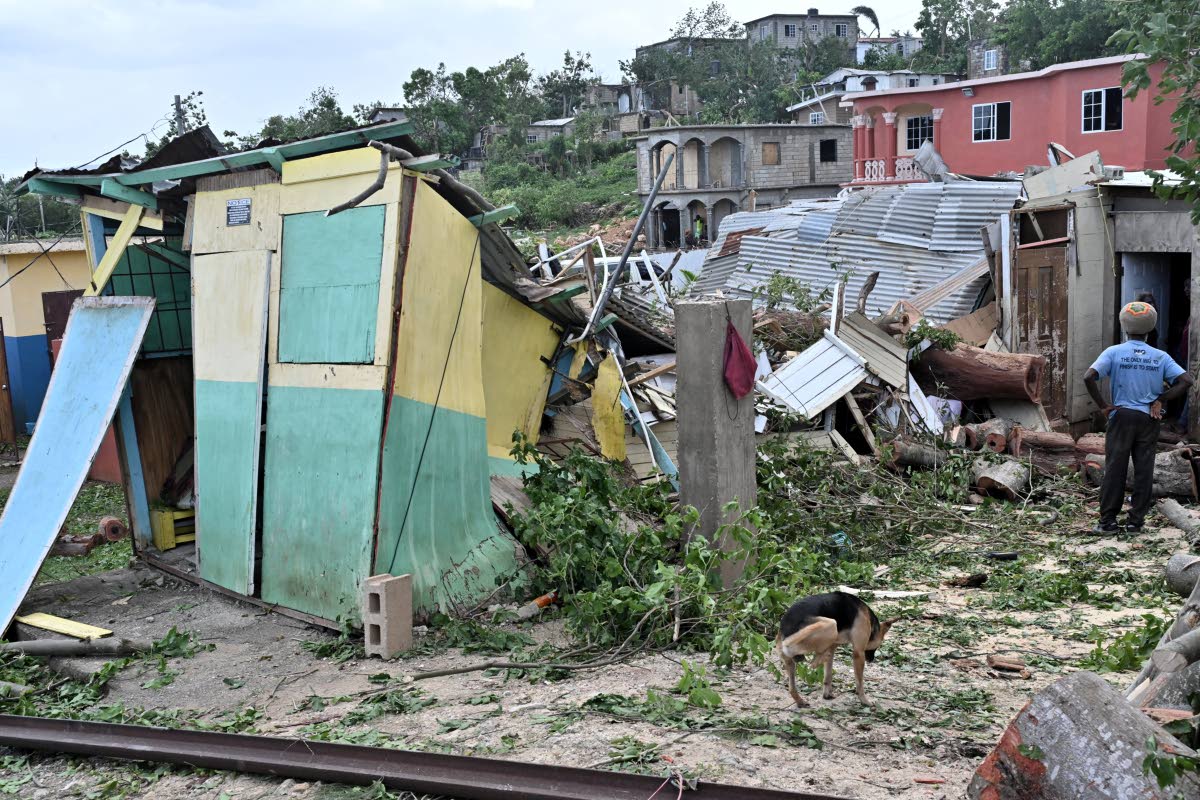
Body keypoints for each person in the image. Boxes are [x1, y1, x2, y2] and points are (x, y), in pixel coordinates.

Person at [1084, 301, 1193, 533]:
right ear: (1151, 329)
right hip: (1148, 420)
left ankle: (1108, 522)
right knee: (1144, 470)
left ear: (1124, 326)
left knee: (1115, 469)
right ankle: (1135, 522)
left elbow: (1089, 376)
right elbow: (1186, 381)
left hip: (1121, 417)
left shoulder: (1114, 352)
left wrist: (1104, 406)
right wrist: (1161, 399)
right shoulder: (1160, 356)